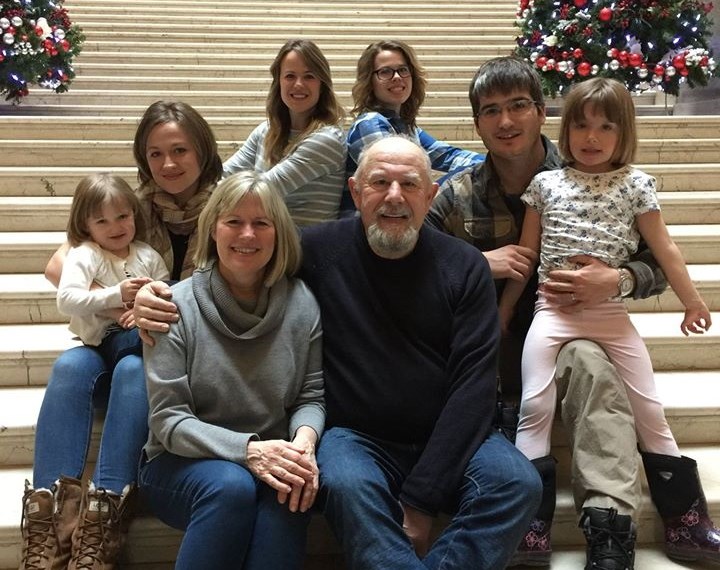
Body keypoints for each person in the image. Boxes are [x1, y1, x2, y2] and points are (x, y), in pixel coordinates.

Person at [134, 135, 542, 570]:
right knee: (345, 485)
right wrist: (147, 300)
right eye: (379, 181)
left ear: (431, 195)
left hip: (449, 433)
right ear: (354, 191)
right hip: (356, 438)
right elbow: (244, 264)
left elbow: (473, 389)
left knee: (517, 484)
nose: (393, 197)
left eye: (408, 184)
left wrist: (421, 501)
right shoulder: (316, 251)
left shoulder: (464, 267)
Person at [424, 56, 665, 569]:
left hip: (576, 333)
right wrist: (476, 263)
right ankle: (522, 515)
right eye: (491, 111)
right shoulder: (456, 194)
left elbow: (658, 264)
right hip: (486, 345)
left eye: (517, 106)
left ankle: (610, 526)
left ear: (541, 111)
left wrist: (618, 278)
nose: (505, 122)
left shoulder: (600, 175)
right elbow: (409, 263)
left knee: (595, 369)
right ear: (477, 123)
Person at [498, 76, 719, 566]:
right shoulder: (545, 184)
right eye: (581, 126)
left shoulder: (636, 185)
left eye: (605, 127)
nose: (591, 137)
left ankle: (686, 521)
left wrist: (693, 301)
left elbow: (665, 251)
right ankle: (529, 525)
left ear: (625, 133)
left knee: (649, 412)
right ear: (565, 129)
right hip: (551, 313)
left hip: (610, 316)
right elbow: (528, 256)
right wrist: (508, 305)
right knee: (534, 408)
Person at [20, 101, 222, 570]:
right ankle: (48, 526)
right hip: (115, 335)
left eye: (179, 150)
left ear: (202, 150)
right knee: (71, 364)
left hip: (173, 354)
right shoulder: (128, 206)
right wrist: (123, 301)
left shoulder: (226, 205)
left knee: (134, 369)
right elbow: (58, 265)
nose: (167, 164)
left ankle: (105, 515)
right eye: (155, 154)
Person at [139, 171, 324, 570]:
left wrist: (304, 444)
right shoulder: (173, 306)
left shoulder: (302, 302)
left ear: (279, 234)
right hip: (178, 463)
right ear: (212, 230)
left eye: (261, 223)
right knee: (231, 485)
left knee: (290, 490)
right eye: (234, 222)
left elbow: (310, 397)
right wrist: (248, 452)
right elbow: (169, 422)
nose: (247, 235)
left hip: (270, 457)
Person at [338, 39, 484, 216]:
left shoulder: (406, 127)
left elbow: (447, 155)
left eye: (403, 70)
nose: (397, 77)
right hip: (367, 228)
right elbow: (406, 176)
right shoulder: (369, 124)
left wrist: (493, 163)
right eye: (385, 72)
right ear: (370, 81)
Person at [223, 38, 346, 226]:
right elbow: (224, 175)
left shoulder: (327, 140)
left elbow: (261, 192)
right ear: (278, 82)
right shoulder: (265, 131)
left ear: (322, 85)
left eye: (309, 76)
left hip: (304, 250)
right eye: (290, 76)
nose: (298, 84)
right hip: (264, 245)